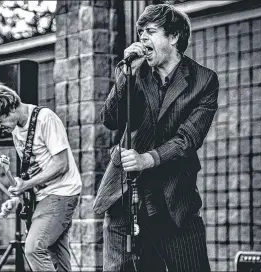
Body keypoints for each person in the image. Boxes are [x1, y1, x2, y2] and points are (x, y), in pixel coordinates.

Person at [93, 4, 219, 272]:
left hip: (173, 196)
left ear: (173, 36)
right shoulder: (135, 72)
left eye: (150, 32)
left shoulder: (204, 81)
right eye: (140, 33)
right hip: (126, 193)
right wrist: (126, 76)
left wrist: (147, 159)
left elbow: (188, 138)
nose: (143, 39)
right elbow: (111, 120)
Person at [0, 81, 82, 271]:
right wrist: (17, 198)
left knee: (33, 248)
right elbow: (33, 170)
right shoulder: (17, 130)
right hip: (41, 197)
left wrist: (27, 184)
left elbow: (61, 164)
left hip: (60, 193)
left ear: (11, 108)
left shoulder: (45, 119)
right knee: (57, 256)